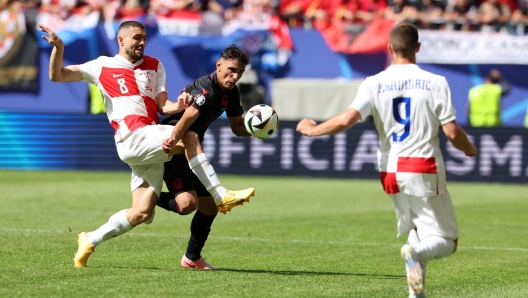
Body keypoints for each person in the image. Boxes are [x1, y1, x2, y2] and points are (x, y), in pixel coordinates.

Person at [38, 21, 253, 268]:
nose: (142, 42)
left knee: (141, 212)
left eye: (144, 38)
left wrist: (181, 104)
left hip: (149, 139)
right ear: (121, 40)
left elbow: (164, 106)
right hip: (132, 136)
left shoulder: (155, 66)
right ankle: (220, 194)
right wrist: (58, 47)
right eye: (136, 37)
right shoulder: (101, 66)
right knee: (189, 136)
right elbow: (57, 75)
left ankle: (89, 239)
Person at [296, 22, 477, 298]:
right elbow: (452, 132)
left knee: (418, 227)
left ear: (390, 47)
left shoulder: (373, 82)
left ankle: (415, 294)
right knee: (447, 240)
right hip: (423, 166)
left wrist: (311, 130)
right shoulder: (435, 82)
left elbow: (346, 120)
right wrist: (470, 148)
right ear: (418, 47)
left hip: (389, 170)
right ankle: (415, 253)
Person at [158, 45, 255, 269]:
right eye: (231, 70)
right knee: (187, 204)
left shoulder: (231, 92)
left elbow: (238, 127)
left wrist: (258, 129)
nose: (235, 76)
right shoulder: (205, 88)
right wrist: (173, 138)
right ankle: (149, 198)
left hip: (190, 147)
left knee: (208, 207)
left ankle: (191, 258)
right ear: (218, 65)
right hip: (173, 142)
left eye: (239, 72)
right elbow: (187, 119)